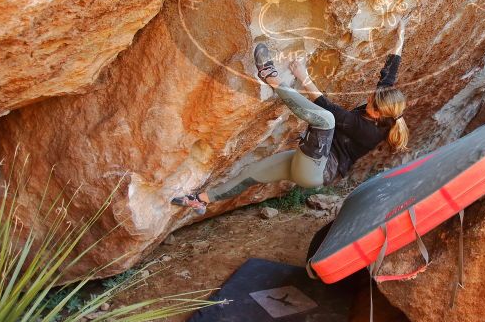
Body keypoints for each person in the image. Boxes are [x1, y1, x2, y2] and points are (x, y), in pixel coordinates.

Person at [171, 21, 409, 214]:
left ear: (379, 114)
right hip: (306, 162)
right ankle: (200, 200)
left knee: (326, 119)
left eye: (371, 103)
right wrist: (399, 38)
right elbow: (388, 78)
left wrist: (302, 76)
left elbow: (328, 108)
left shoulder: (371, 131)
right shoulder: (385, 110)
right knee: (250, 174)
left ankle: (270, 76)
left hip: (319, 169)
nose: (368, 98)